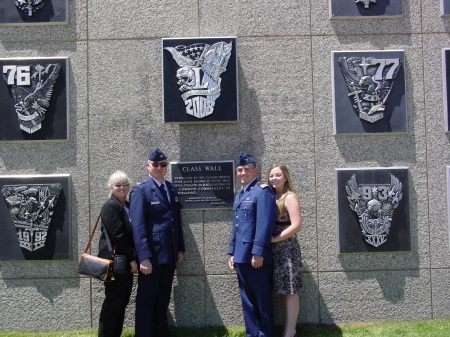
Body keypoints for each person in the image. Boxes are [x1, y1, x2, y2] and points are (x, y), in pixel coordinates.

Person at [130, 148, 185, 337]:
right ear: (148, 166)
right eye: (155, 165)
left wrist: (179, 248)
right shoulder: (140, 189)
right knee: (146, 300)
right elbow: (138, 226)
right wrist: (143, 257)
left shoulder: (171, 188)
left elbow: (176, 221)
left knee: (162, 300)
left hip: (169, 254)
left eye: (163, 165)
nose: (160, 168)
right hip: (151, 257)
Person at [228, 152, 277, 337]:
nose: (243, 173)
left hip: (256, 257)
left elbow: (265, 224)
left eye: (247, 169)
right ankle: (252, 333)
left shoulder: (262, 191)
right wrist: (232, 252)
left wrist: (259, 252)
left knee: (261, 299)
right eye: (240, 170)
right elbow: (237, 227)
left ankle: (265, 334)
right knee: (247, 300)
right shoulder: (240, 194)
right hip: (241, 256)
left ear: (255, 170)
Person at [97, 170, 138, 337]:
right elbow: (118, 236)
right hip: (116, 262)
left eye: (125, 184)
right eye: (117, 185)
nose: (122, 187)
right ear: (110, 187)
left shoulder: (127, 205)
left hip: (123, 262)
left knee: (121, 302)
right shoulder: (110, 206)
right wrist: (132, 259)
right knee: (114, 302)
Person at [267, 164, 303, 337]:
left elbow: (296, 225)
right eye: (272, 175)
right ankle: (288, 329)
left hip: (287, 248)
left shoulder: (289, 197)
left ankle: (290, 332)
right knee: (282, 290)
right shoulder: (271, 196)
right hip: (274, 249)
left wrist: (276, 238)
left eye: (278, 175)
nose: (274, 178)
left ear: (286, 177)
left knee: (289, 289)